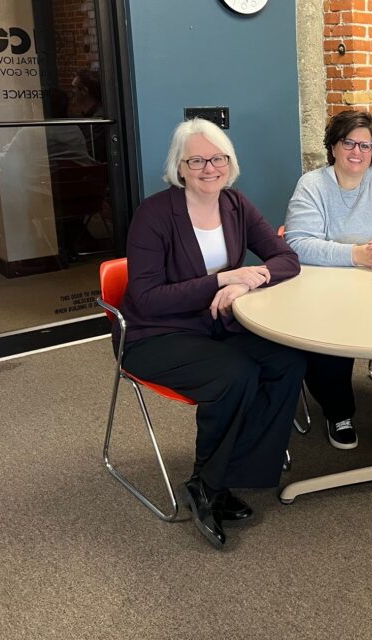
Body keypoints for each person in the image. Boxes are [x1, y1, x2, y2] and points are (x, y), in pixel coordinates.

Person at [119, 118, 306, 549]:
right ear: (179, 168)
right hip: (154, 334)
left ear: (229, 162)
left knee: (287, 360)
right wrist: (222, 280)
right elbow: (147, 299)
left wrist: (247, 282)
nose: (209, 168)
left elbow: (286, 258)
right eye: (197, 161)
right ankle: (206, 484)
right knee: (235, 373)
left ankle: (228, 476)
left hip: (215, 324)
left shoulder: (235, 204)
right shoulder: (154, 215)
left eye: (218, 158)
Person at [284, 110, 372, 450]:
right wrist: (355, 255)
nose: (357, 152)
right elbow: (297, 242)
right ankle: (338, 411)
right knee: (329, 335)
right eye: (349, 143)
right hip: (327, 288)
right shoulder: (312, 185)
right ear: (333, 146)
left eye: (365, 145)